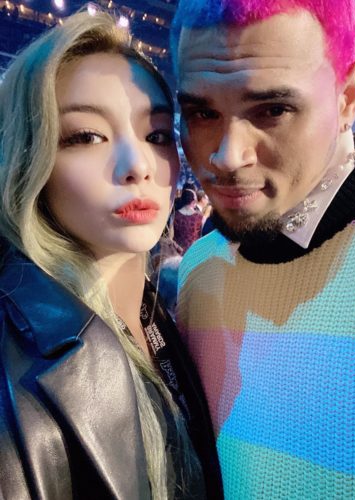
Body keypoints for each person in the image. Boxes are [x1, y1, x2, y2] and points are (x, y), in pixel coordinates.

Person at [171, 0, 355, 498]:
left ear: (347, 97)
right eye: (202, 113)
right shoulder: (199, 270)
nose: (227, 157)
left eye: (272, 110)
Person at [0, 11, 222, 499]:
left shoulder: (169, 312)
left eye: (156, 135)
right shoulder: (15, 373)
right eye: (86, 136)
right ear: (29, 158)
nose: (137, 166)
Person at [173, 187, 203, 254]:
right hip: (193, 252)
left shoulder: (175, 215)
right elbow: (200, 236)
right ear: (193, 200)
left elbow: (171, 236)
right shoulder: (199, 216)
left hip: (178, 251)